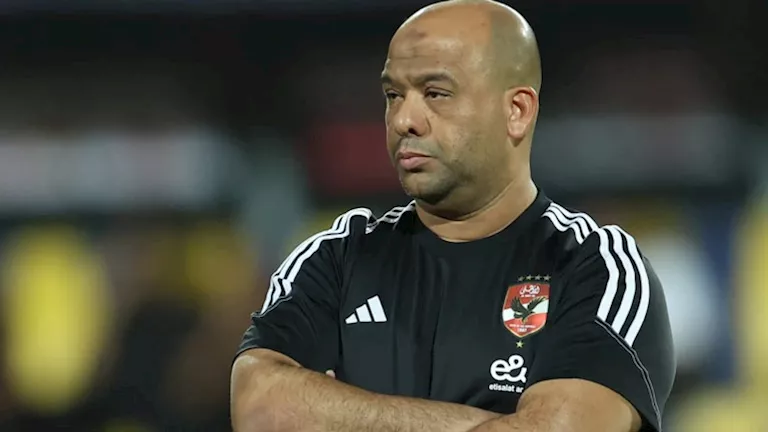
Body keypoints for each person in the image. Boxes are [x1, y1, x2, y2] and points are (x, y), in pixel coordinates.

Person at [230, 0, 675, 431]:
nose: (403, 120)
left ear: (517, 111)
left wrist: (334, 413)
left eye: (436, 93)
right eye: (393, 95)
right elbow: (261, 408)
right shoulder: (336, 259)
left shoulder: (595, 268)